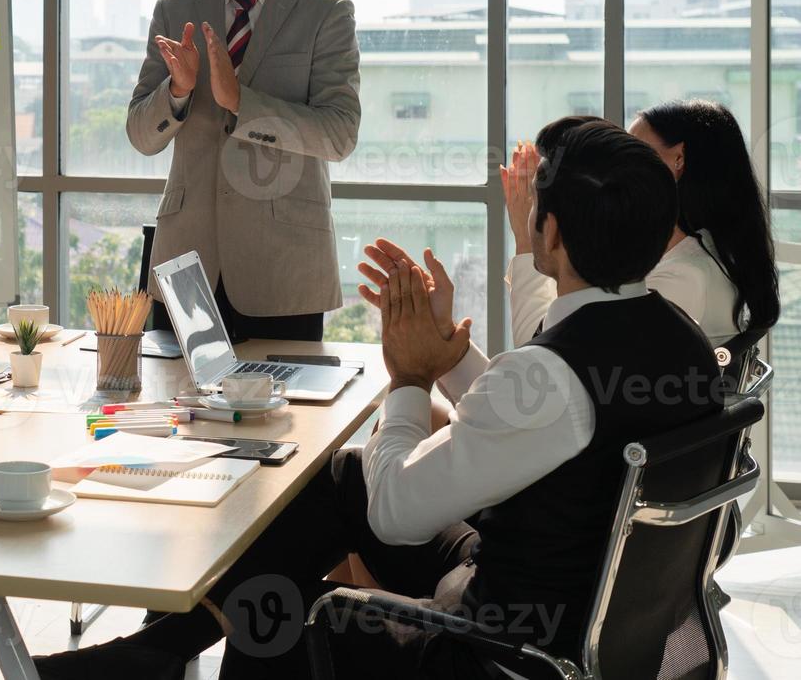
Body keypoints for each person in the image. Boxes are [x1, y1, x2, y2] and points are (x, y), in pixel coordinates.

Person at [36, 121, 723, 678]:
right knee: (342, 476)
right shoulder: (678, 339)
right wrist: (450, 355)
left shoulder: (552, 375)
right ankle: (152, 655)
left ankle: (150, 657)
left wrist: (410, 378)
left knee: (297, 604)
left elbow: (395, 516)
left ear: (551, 233)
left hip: (506, 653)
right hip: (591, 617)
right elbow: (541, 420)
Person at [127, 0, 360, 343]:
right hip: (188, 266)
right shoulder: (176, 8)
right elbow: (142, 136)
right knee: (183, 412)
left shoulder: (328, 12)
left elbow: (339, 135)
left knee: (289, 417)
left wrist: (242, 103)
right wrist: (179, 90)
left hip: (286, 263)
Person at [503, 101, 778, 347]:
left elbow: (545, 354)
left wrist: (529, 239)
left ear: (678, 160)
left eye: (637, 149)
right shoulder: (699, 255)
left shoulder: (682, 280)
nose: (622, 160)